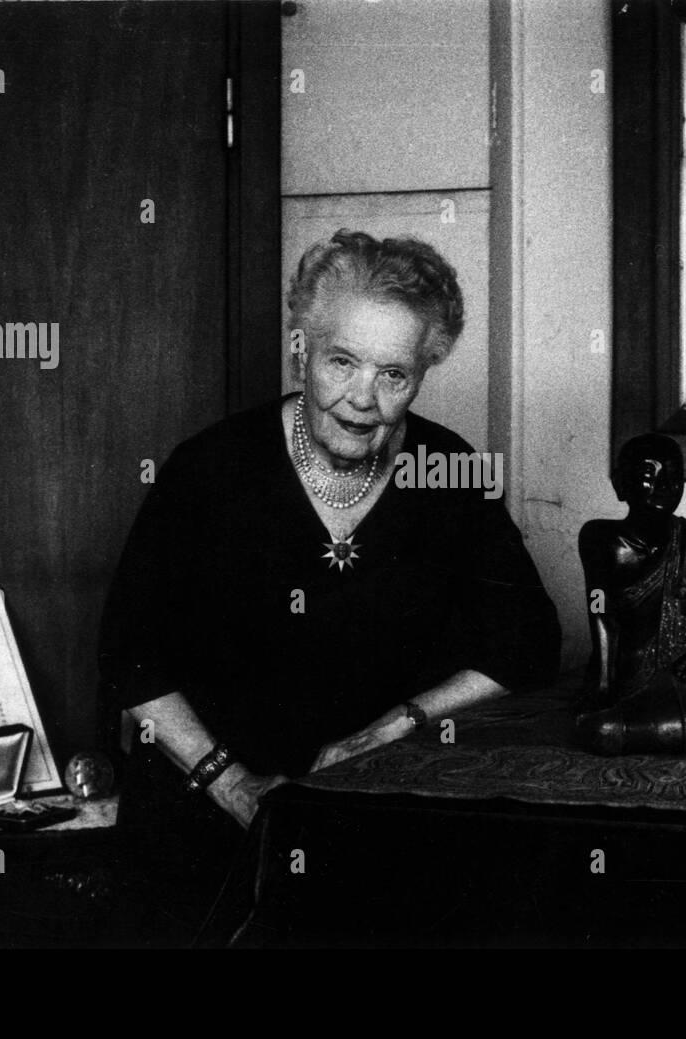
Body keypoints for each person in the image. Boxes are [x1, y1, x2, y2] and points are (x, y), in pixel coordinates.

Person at [97, 229, 561, 945]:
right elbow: (129, 653)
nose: (362, 398)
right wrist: (233, 784)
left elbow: (527, 639)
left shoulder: (447, 470)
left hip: (372, 822)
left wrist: (387, 730)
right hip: (202, 819)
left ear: (423, 373)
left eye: (393, 374)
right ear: (301, 349)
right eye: (341, 361)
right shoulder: (212, 471)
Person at [574, 434, 686, 755]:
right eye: (648, 477)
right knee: (599, 729)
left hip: (677, 668)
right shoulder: (600, 538)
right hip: (623, 668)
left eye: (673, 476)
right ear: (621, 485)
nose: (664, 486)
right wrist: (604, 682)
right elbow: (601, 612)